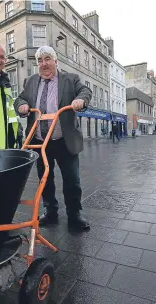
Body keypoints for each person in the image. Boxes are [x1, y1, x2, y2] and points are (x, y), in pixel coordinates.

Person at [15, 46, 92, 230]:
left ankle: (74, 214)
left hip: (64, 141)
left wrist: (80, 100)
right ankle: (51, 212)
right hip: (40, 142)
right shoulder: (30, 81)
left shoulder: (70, 79)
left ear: (56, 61)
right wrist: (22, 105)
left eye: (47, 59)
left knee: (72, 180)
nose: (43, 64)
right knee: (45, 179)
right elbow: (19, 99)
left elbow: (85, 91)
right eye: (40, 61)